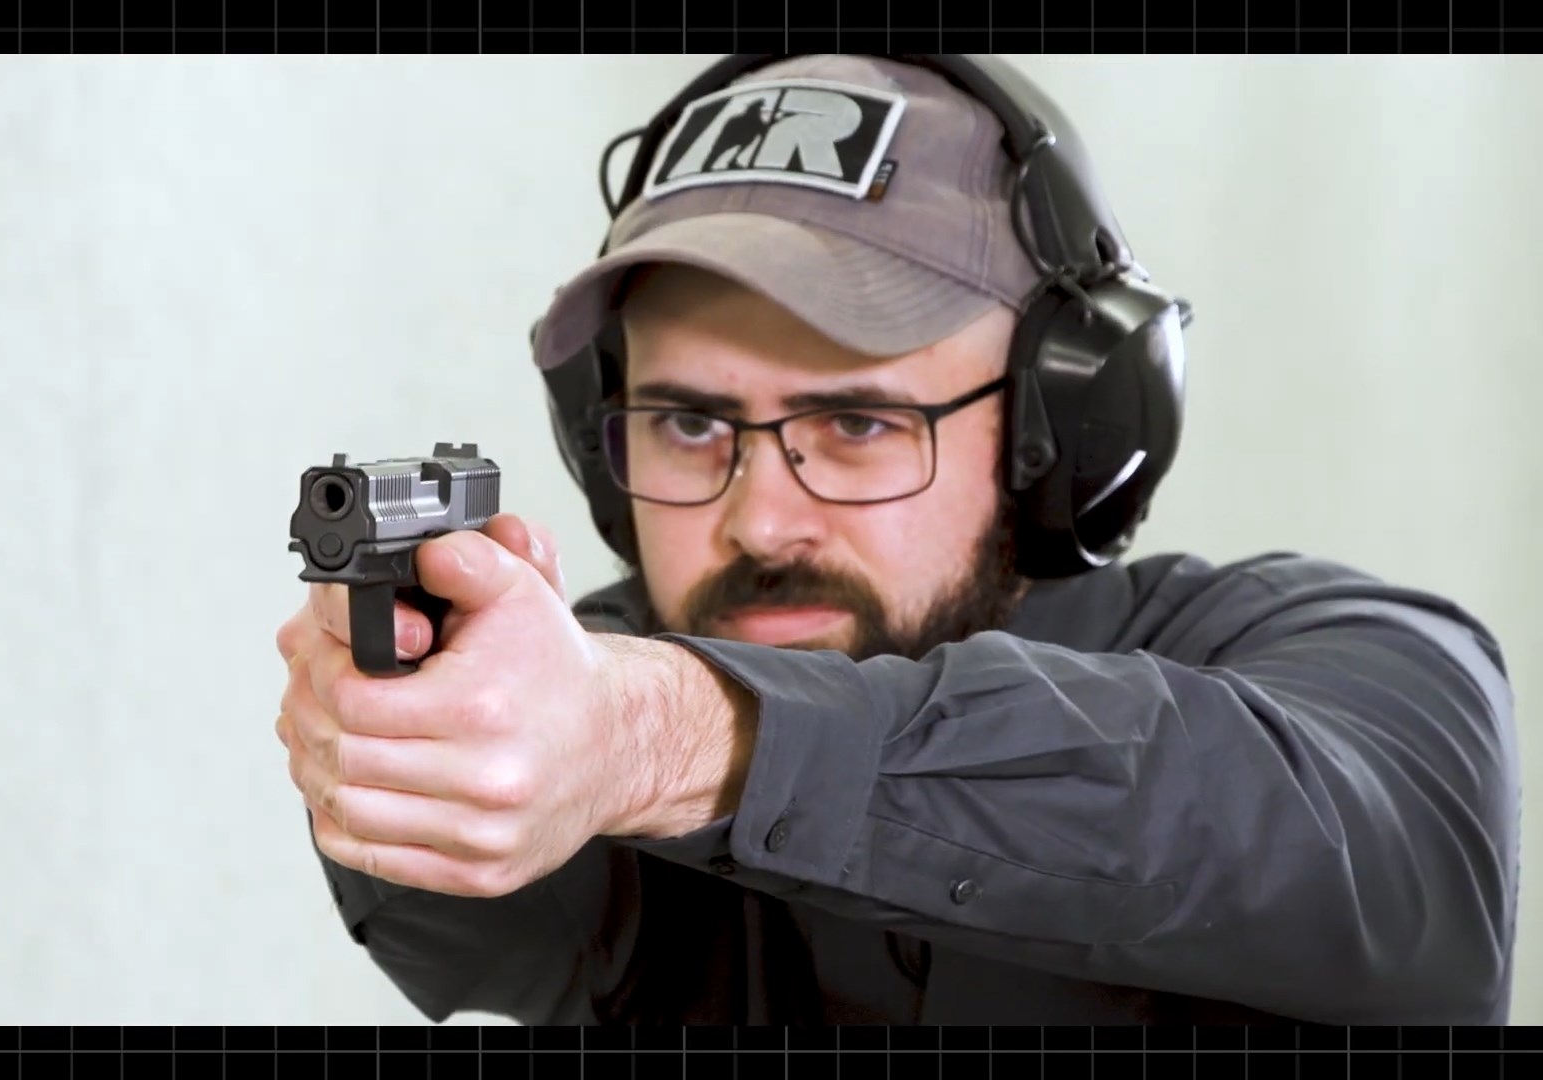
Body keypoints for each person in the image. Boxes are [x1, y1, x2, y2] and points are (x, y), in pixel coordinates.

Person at [273, 55, 1520, 1024]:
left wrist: (662, 739)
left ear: (1059, 431)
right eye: (690, 424)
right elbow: (485, 927)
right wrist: (410, 735)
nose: (759, 517)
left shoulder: (1352, 661)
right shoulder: (593, 690)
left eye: (860, 420)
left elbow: (1368, 866)